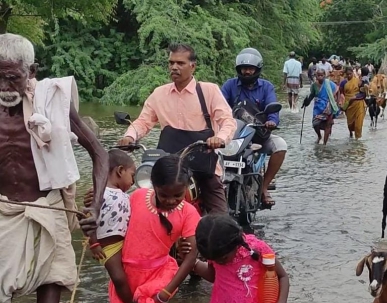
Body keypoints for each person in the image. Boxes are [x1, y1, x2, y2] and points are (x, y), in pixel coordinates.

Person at [0, 33, 107, 303]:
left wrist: (95, 207)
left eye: (13, 78)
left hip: (50, 207)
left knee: (53, 282)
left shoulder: (51, 100)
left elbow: (99, 153)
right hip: (4, 213)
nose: (5, 87)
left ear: (32, 71)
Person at [117, 43, 237, 215]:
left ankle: (222, 234)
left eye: (180, 63)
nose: (174, 67)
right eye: (171, 63)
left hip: (202, 165)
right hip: (168, 165)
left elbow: (227, 121)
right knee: (141, 203)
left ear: (192, 66)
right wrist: (129, 137)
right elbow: (143, 122)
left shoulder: (209, 91)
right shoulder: (159, 94)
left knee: (220, 218)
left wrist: (220, 138)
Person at [108, 154, 201, 303]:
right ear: (154, 185)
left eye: (178, 195)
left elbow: (190, 258)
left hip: (156, 280)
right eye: (164, 195)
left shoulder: (188, 213)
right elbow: (115, 219)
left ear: (186, 187)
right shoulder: (138, 196)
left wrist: (165, 293)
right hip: (125, 277)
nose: (170, 201)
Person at [178, 214, 290, 303]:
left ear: (236, 244)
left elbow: (282, 276)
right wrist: (192, 261)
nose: (219, 262)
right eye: (215, 260)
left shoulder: (258, 249)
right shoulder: (215, 250)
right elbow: (213, 276)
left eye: (223, 258)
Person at [221, 48, 287, 208]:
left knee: (280, 146)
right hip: (232, 135)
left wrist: (271, 121)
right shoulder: (230, 85)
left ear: (257, 70)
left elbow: (273, 108)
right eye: (244, 68)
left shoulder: (266, 87)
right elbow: (219, 105)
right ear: (239, 69)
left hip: (258, 132)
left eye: (251, 69)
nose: (247, 72)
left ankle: (264, 187)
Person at [85, 149, 138, 303]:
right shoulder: (100, 193)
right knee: (119, 278)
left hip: (123, 243)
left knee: (127, 276)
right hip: (108, 247)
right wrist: (94, 244)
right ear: (120, 171)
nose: (133, 182)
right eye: (132, 175)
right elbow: (87, 218)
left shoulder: (125, 195)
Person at [302, 69, 339, 145]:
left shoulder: (329, 84)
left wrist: (336, 103)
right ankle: (319, 136)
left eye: (322, 75)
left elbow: (337, 91)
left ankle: (325, 144)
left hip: (329, 107)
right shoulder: (314, 85)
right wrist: (306, 102)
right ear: (316, 76)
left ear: (325, 75)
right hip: (318, 108)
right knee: (315, 124)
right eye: (318, 75)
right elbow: (312, 95)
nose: (320, 77)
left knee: (328, 125)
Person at [339, 66, 370, 139]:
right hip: (349, 104)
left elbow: (363, 89)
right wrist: (341, 100)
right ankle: (350, 133)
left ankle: (358, 140)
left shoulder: (358, 80)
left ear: (353, 73)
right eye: (348, 74)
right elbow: (341, 93)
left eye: (350, 74)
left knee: (358, 124)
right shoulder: (343, 82)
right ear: (346, 74)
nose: (349, 75)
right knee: (350, 124)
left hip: (358, 103)